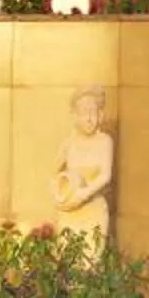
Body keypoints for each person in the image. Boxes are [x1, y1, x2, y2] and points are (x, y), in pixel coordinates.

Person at [51, 87, 114, 246]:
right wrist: (60, 198)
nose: (89, 119)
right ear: (75, 116)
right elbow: (53, 174)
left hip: (94, 209)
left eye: (93, 113)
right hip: (70, 210)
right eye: (84, 113)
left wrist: (83, 195)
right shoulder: (68, 143)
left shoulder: (104, 141)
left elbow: (105, 176)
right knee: (69, 259)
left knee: (91, 260)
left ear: (100, 115)